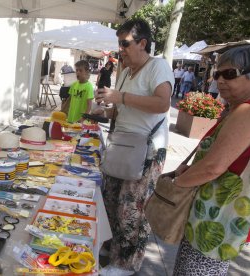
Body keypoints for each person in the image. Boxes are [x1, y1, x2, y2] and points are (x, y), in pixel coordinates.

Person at [95, 18, 174, 275]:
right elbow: (120, 110)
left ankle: (126, 264)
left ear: (142, 43)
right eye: (119, 43)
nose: (121, 49)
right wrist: (104, 109)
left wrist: (121, 97)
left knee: (131, 209)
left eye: (125, 43)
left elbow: (162, 103)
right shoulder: (126, 71)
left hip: (146, 149)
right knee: (110, 199)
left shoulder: (158, 66)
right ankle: (113, 246)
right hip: (122, 144)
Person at [172, 45, 250, 275]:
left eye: (230, 74)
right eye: (217, 74)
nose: (221, 80)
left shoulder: (246, 112)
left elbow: (213, 167)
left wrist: (177, 185)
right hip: (209, 215)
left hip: (217, 217)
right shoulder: (236, 109)